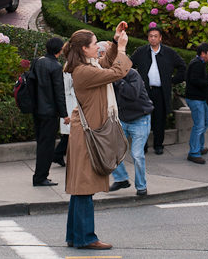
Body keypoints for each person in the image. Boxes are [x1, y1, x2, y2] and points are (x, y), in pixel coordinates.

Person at [63, 23, 131, 250]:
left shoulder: (88, 66)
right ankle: (86, 238)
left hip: (86, 132)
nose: (98, 48)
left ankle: (75, 236)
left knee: (80, 187)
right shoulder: (84, 72)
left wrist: (114, 41)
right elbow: (117, 72)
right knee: (84, 187)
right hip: (87, 135)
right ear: (84, 49)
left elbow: (106, 63)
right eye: (95, 45)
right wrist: (121, 50)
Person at [130, 26, 186, 155]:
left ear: (160, 38)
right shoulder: (141, 51)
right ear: (148, 38)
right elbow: (129, 65)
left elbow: (182, 65)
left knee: (159, 119)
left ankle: (158, 145)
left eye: (156, 36)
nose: (153, 38)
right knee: (143, 118)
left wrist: (172, 81)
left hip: (161, 91)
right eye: (150, 36)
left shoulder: (169, 52)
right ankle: (143, 146)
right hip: (144, 92)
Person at [109, 68, 153, 196]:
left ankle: (141, 186)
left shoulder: (132, 74)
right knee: (112, 150)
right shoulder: (107, 76)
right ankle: (121, 178)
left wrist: (117, 79)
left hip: (140, 118)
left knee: (137, 154)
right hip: (122, 119)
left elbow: (132, 93)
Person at [32, 37, 68, 187]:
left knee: (41, 143)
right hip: (49, 111)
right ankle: (40, 177)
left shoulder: (37, 61)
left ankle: (39, 175)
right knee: (47, 145)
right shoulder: (56, 66)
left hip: (36, 109)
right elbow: (59, 93)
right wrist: (65, 114)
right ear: (60, 50)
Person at [185, 43, 208, 164]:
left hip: (200, 99)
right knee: (199, 125)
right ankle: (194, 152)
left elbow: (199, 79)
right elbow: (195, 80)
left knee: (205, 122)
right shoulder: (196, 63)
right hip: (195, 99)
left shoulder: (200, 63)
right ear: (203, 53)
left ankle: (199, 147)